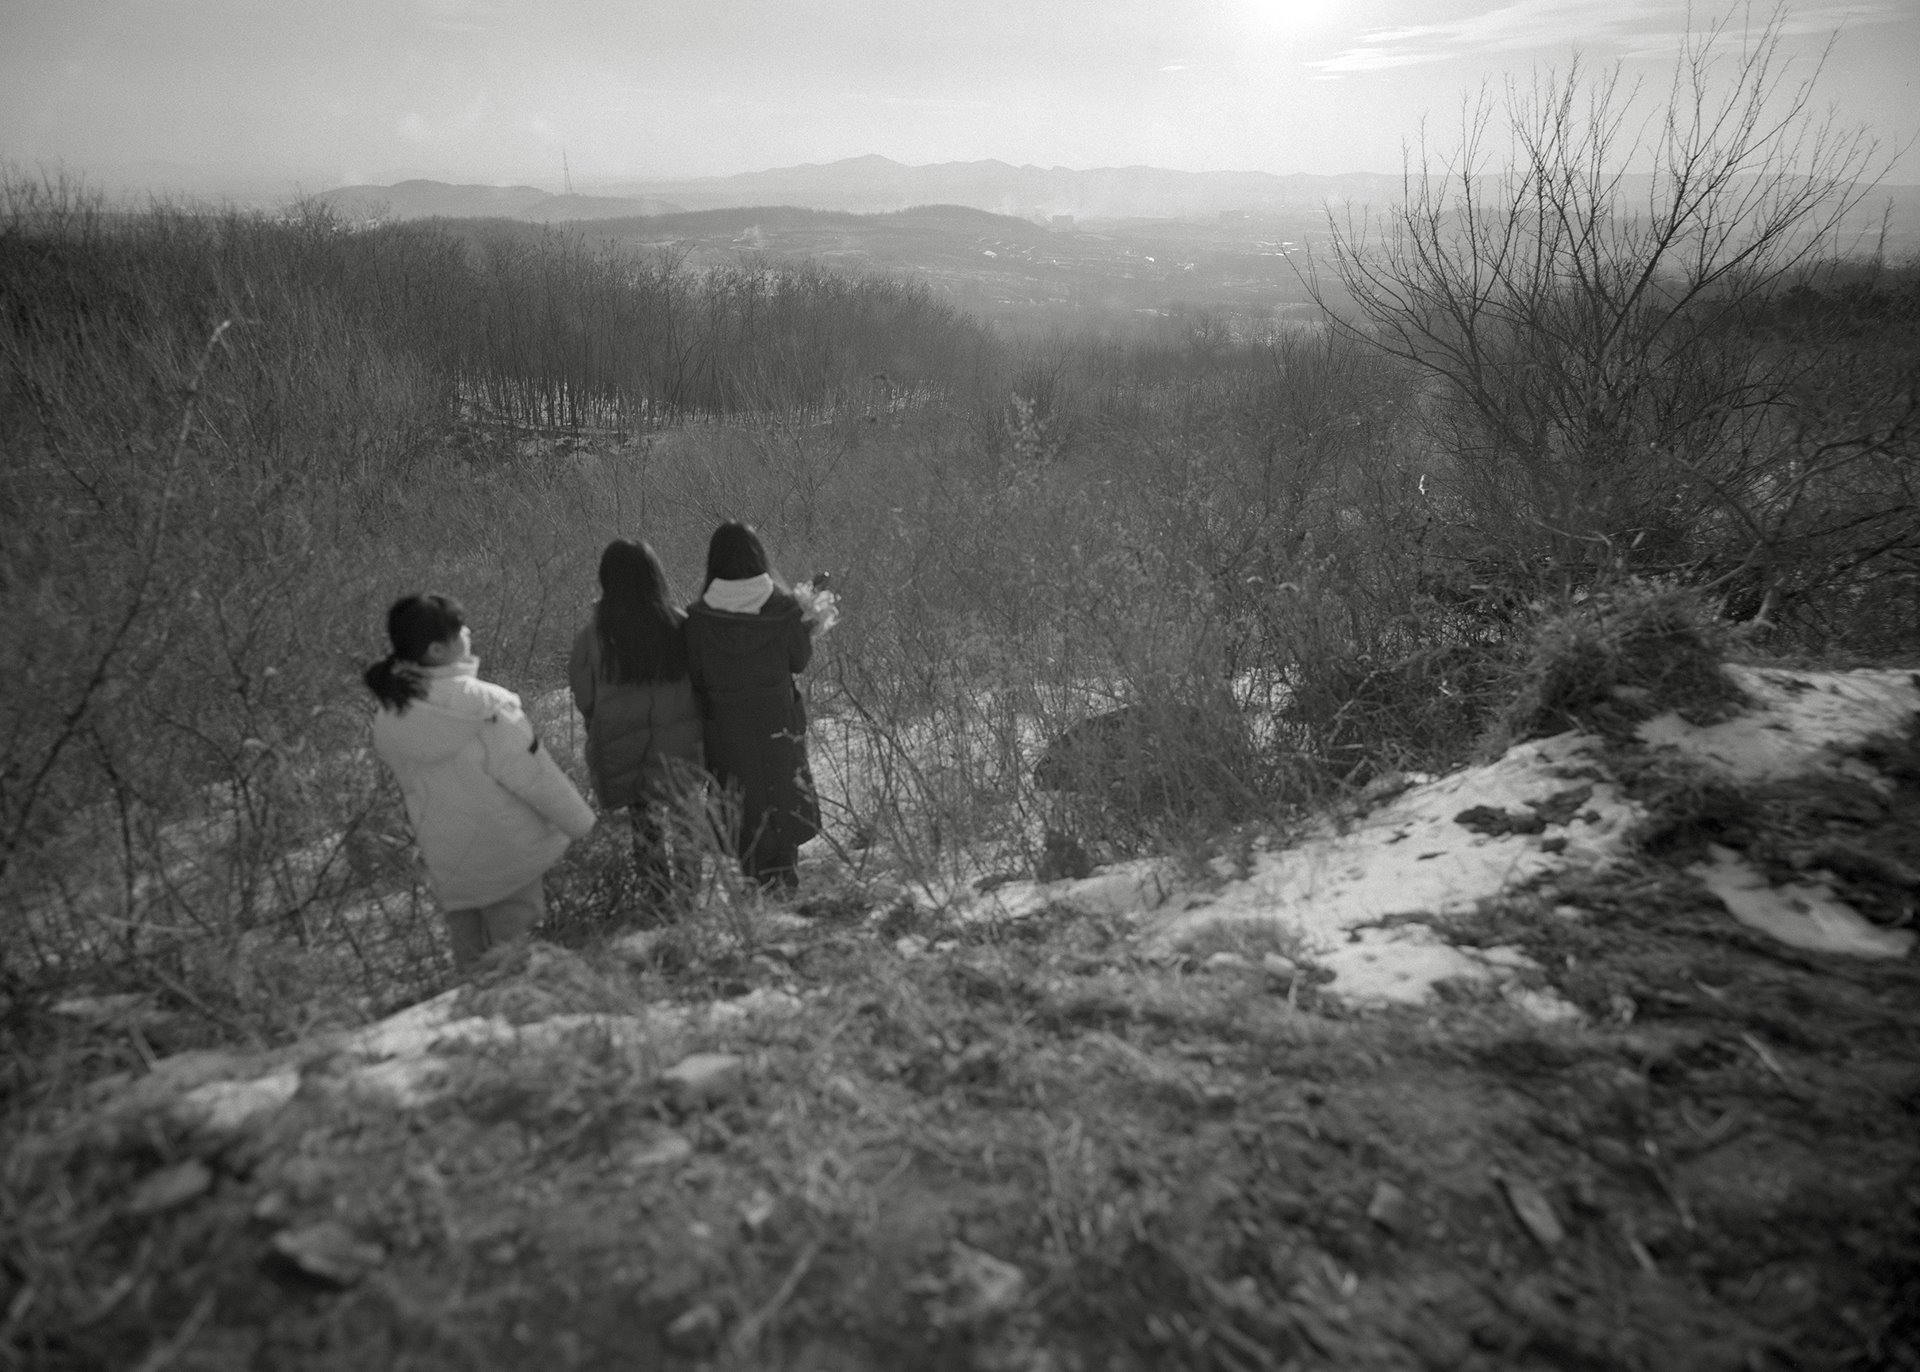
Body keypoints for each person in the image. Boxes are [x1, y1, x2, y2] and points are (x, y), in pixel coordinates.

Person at [364, 593, 595, 970]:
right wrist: (581, 823)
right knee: (516, 957)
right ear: (438, 649)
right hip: (506, 852)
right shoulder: (486, 707)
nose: (467, 632)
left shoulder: (390, 716)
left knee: (470, 959)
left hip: (448, 859)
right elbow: (534, 776)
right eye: (459, 629)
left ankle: (473, 1021)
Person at [684, 522, 822, 890]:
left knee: (743, 813)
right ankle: (787, 889)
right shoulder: (783, 608)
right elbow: (798, 661)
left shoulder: (697, 620)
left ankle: (756, 900)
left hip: (725, 734)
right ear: (759, 556)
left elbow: (695, 677)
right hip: (780, 722)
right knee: (782, 799)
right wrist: (809, 624)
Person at [569, 539, 705, 910]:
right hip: (681, 747)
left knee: (644, 825)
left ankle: (658, 900)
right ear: (654, 575)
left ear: (605, 579)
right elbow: (702, 684)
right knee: (686, 820)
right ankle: (689, 899)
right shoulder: (680, 624)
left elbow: (586, 698)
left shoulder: (593, 637)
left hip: (624, 747)